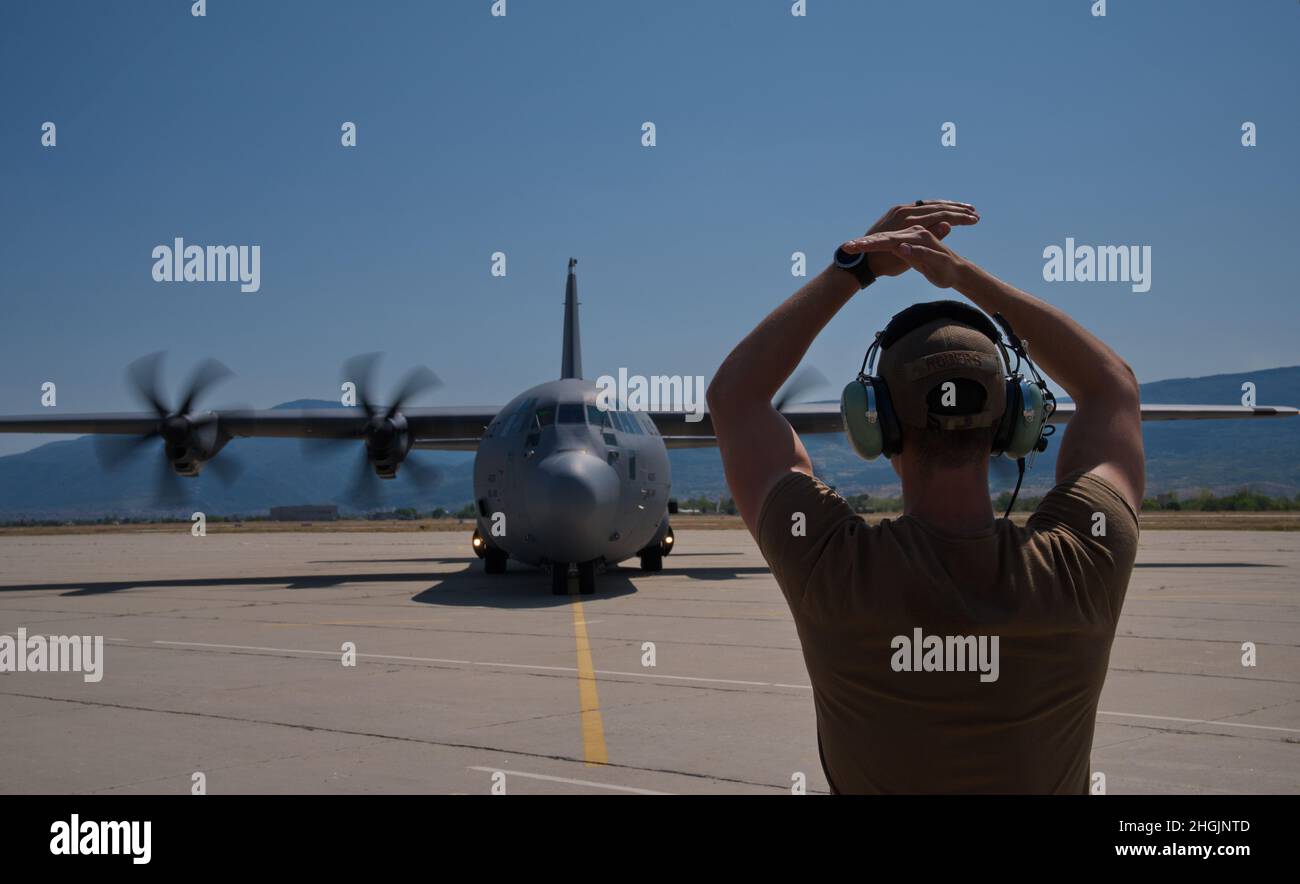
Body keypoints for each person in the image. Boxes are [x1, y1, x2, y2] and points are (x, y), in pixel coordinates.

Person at [705, 201, 1144, 793]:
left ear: (875, 424)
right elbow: (1112, 389)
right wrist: (962, 275)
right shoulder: (1081, 562)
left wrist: (853, 268)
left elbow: (735, 397)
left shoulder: (834, 567)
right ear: (1014, 422)